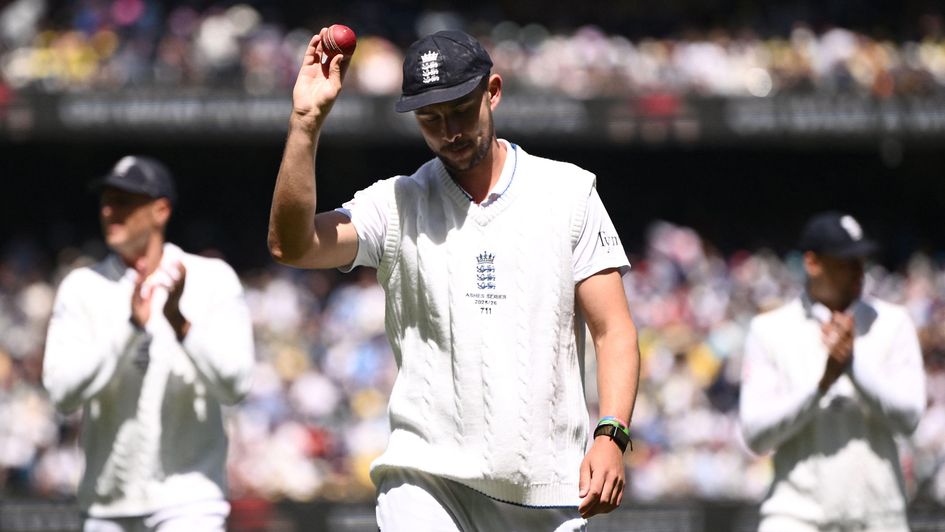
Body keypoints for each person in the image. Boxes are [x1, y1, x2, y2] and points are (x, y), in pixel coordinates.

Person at [268, 28, 640, 530]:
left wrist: (611, 434)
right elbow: (292, 246)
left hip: (548, 489)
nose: (450, 131)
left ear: (493, 91)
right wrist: (306, 121)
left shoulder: (568, 192)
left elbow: (613, 330)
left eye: (461, 110)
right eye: (430, 119)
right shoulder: (395, 203)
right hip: (426, 479)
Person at [43, 156, 255, 532]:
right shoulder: (81, 287)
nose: (109, 211)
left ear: (160, 210)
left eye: (124, 201)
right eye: (106, 200)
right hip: (106, 505)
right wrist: (129, 328)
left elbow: (235, 385)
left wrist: (181, 325)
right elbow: (62, 393)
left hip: (191, 501)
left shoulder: (212, 279)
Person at [738, 211, 926, 532]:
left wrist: (852, 367)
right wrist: (821, 385)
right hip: (795, 516)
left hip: (879, 516)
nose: (857, 272)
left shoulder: (893, 323)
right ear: (812, 263)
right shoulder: (770, 329)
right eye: (844, 262)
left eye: (861, 261)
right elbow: (756, 434)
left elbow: (910, 419)